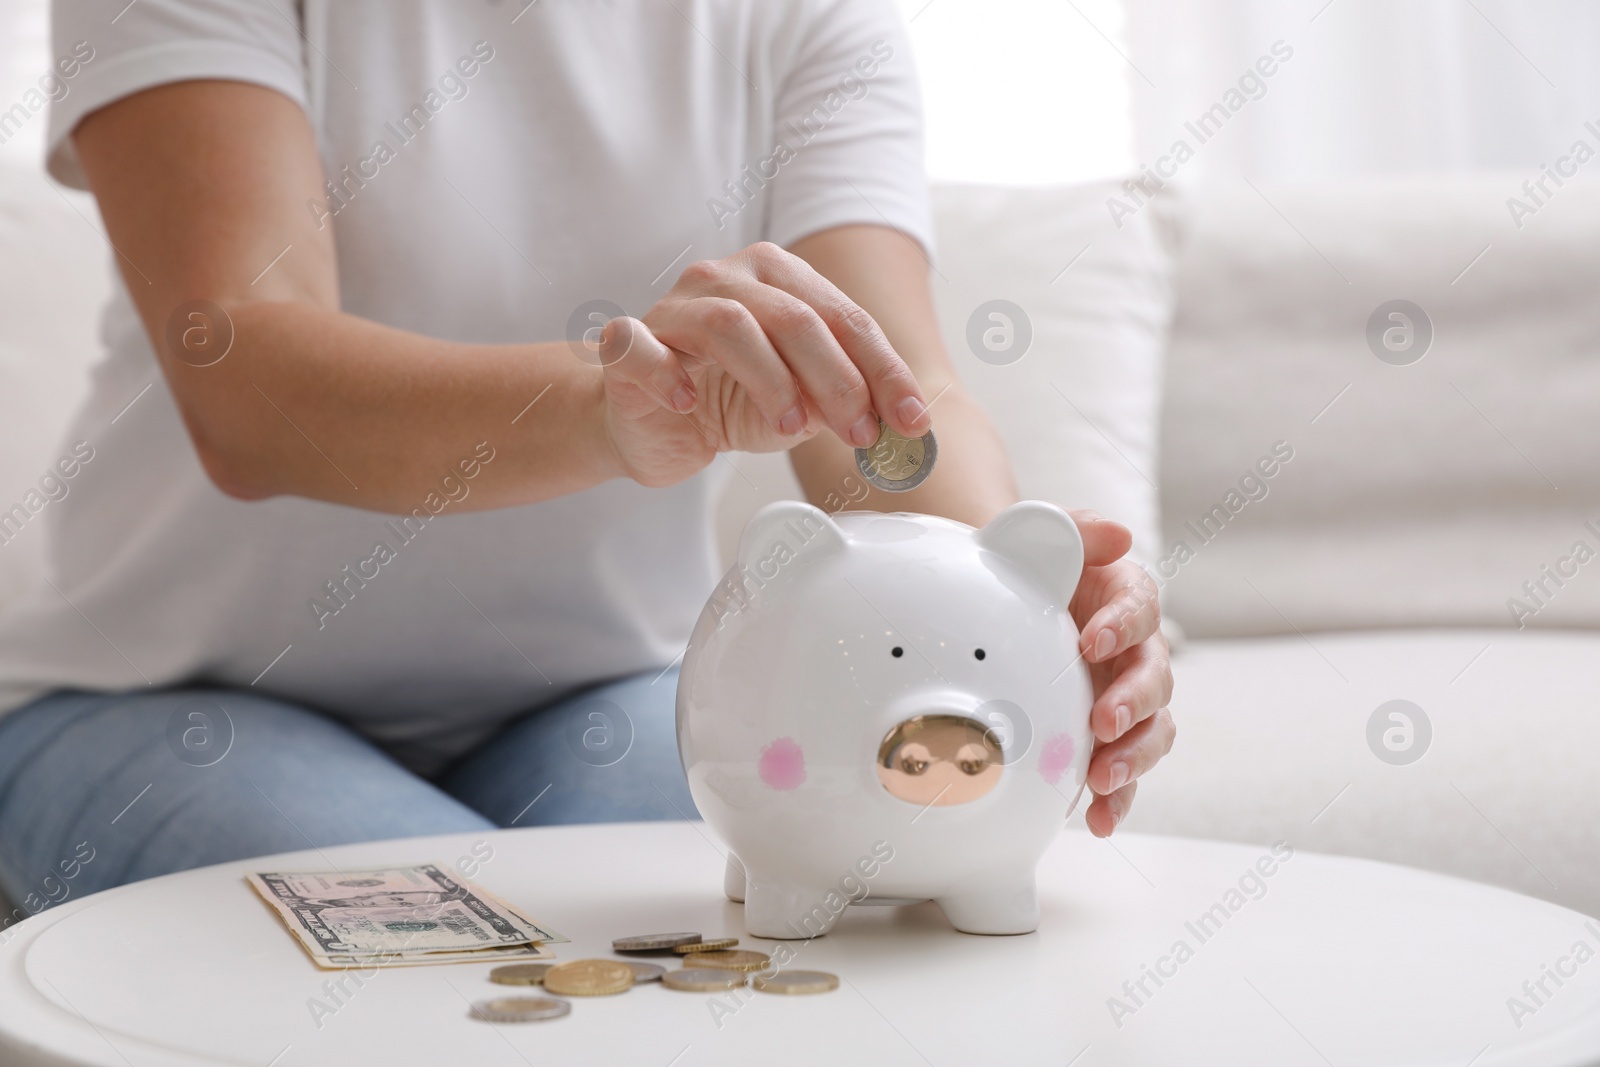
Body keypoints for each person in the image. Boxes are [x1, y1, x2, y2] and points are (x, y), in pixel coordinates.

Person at [0, 0, 1174, 921]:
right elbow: (245, 385)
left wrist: (1019, 611)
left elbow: (895, 410)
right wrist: (610, 408)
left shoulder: (807, 16)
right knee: (441, 962)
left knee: (801, 927)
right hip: (164, 699)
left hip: (605, 694)